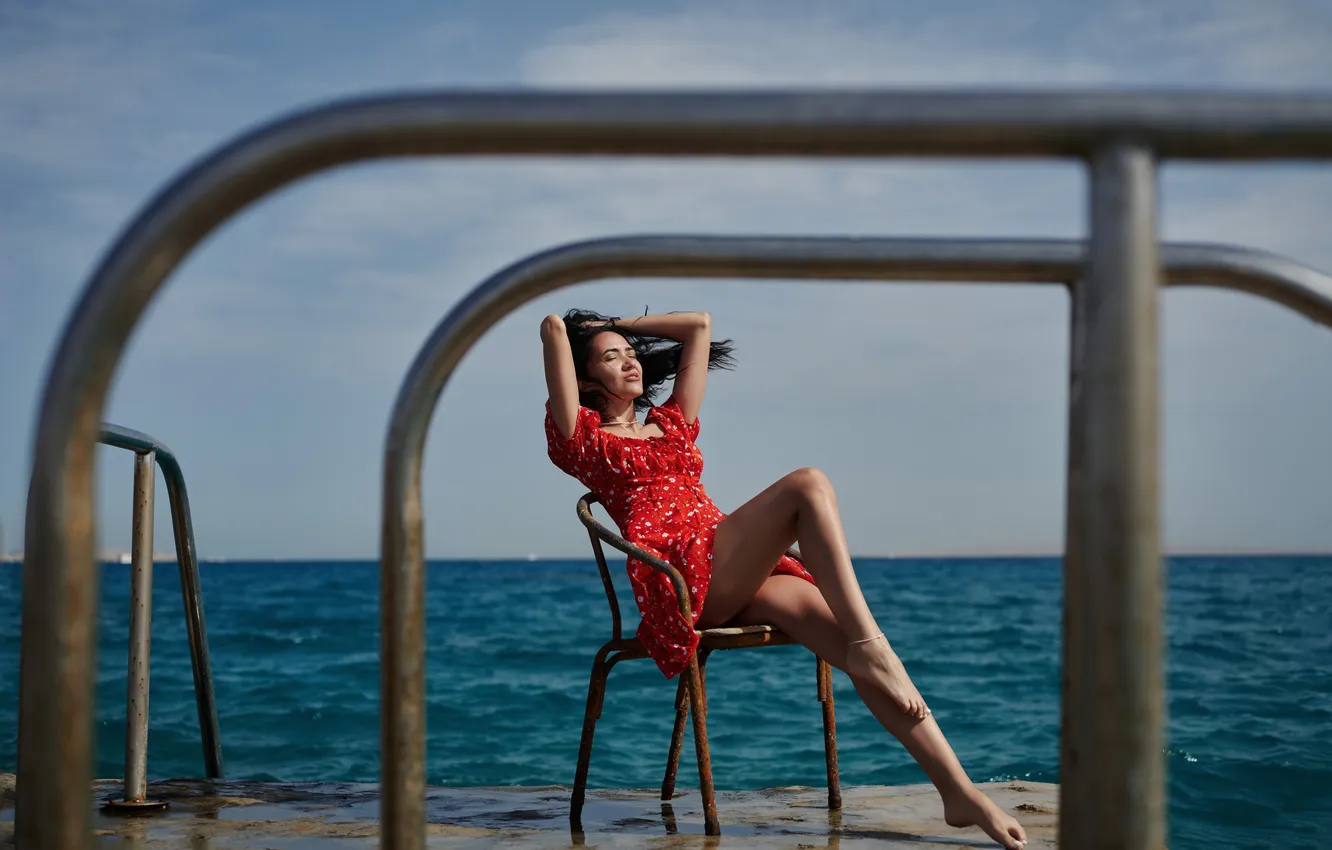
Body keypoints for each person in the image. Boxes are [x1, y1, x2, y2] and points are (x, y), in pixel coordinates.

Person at [541, 309, 1027, 850]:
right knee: (808, 485)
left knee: (842, 637)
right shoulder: (582, 439)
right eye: (612, 357)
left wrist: (623, 326)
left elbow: (699, 326)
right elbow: (553, 331)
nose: (630, 359)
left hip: (731, 562)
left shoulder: (672, 422)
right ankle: (875, 646)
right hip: (681, 579)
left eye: (630, 352)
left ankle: (959, 792)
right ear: (586, 380)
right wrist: (582, 329)